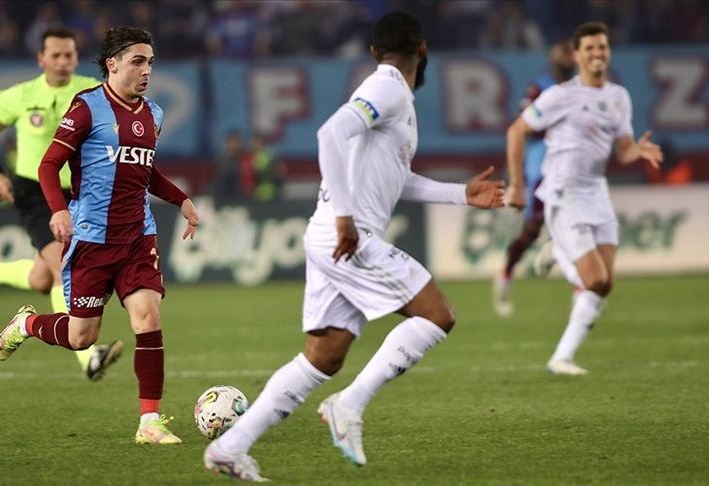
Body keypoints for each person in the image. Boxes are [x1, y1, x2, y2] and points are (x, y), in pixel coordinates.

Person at [203, 12, 504, 481]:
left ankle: (228, 447)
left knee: (324, 355)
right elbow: (330, 134)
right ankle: (349, 404)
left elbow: (397, 179)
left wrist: (460, 194)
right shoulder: (387, 87)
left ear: (374, 50)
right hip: (347, 234)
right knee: (437, 314)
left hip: (331, 234)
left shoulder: (392, 96)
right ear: (422, 49)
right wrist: (345, 216)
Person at [0, 27, 200, 445]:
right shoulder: (86, 107)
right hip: (91, 239)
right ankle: (27, 324)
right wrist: (58, 210)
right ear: (113, 64)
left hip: (137, 236)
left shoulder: (153, 114)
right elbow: (49, 165)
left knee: (148, 316)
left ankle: (149, 422)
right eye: (138, 61)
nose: (146, 70)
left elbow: (144, 171)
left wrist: (180, 199)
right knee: (81, 337)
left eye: (151, 62)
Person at [0, 27, 122, 381]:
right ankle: (88, 358)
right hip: (34, 191)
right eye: (55, 55)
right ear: (41, 59)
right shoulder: (20, 95)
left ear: (76, 58)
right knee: (64, 266)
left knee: (40, 278)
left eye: (69, 55)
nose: (63, 62)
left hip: (76, 193)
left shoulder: (91, 92)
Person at [505, 21, 662, 376]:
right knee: (593, 279)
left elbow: (623, 151)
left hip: (596, 191)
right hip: (565, 190)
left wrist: (637, 151)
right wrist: (516, 186)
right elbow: (516, 130)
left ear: (608, 52)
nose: (597, 53)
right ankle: (557, 253)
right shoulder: (560, 95)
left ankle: (561, 358)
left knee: (605, 283)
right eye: (589, 48)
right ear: (577, 55)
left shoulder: (618, 96)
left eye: (602, 47)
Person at [493, 40, 575, 317]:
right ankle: (505, 274)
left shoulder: (584, 90)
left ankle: (582, 292)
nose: (566, 58)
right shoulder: (540, 88)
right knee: (532, 229)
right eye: (562, 53)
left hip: (572, 167)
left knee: (575, 226)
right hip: (542, 166)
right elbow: (524, 125)